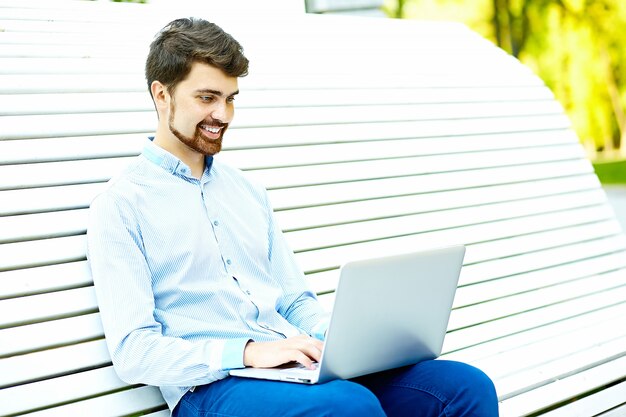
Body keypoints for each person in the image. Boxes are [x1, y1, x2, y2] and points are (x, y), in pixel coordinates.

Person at [87, 17, 499, 417]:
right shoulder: (122, 205)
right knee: (349, 407)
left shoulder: (247, 193)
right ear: (162, 95)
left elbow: (293, 300)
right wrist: (247, 352)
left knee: (464, 387)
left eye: (230, 99)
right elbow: (134, 352)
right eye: (207, 98)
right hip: (211, 388)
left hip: (294, 369)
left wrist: (343, 342)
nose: (224, 115)